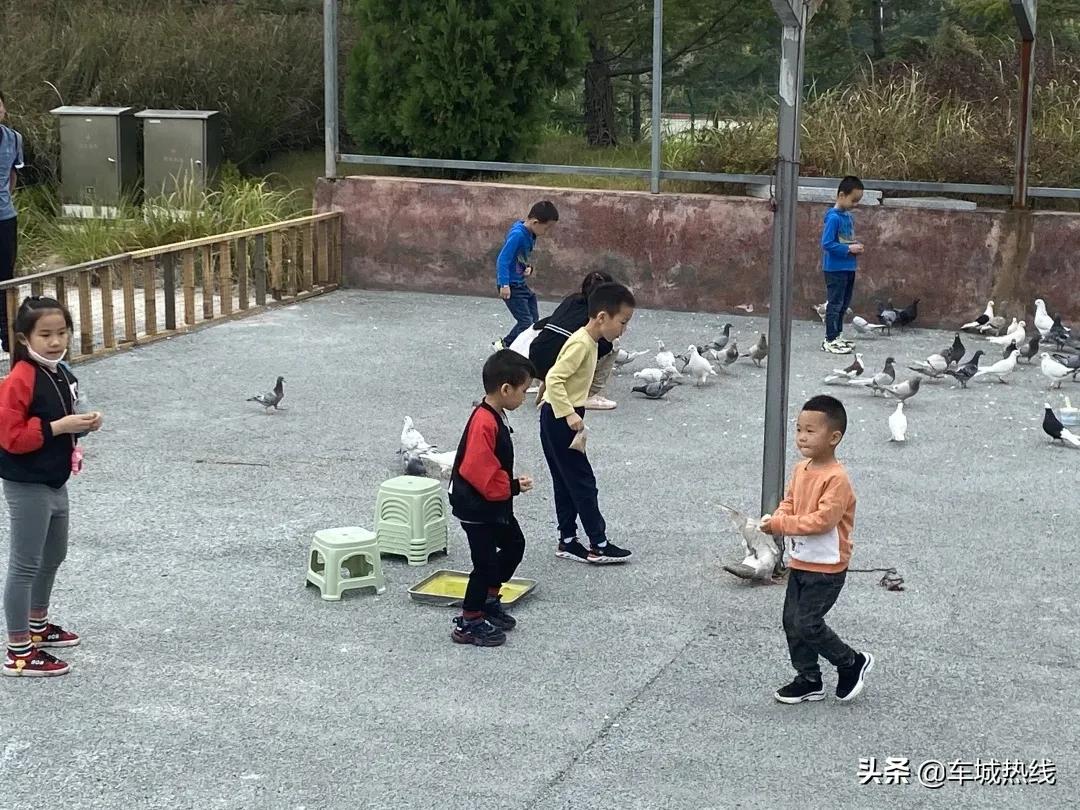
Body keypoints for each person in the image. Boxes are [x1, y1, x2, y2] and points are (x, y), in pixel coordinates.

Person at [1, 296, 103, 677]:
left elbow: (66, 415)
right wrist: (60, 427)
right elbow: (10, 437)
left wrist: (85, 422)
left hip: (54, 477)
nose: (55, 341)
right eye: (45, 334)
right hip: (26, 481)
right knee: (25, 563)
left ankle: (38, 626)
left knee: (54, 553)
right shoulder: (19, 378)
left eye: (62, 332)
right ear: (25, 338)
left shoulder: (62, 371)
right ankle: (18, 651)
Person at [760, 395, 874, 704]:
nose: (802, 437)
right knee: (791, 621)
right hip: (803, 560)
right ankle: (808, 678)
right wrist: (779, 516)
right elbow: (790, 501)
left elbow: (823, 521)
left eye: (811, 431)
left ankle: (851, 662)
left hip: (828, 567)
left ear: (834, 437)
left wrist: (782, 526)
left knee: (807, 622)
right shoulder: (801, 469)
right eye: (799, 430)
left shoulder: (837, 479)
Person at [540, 282, 635, 564]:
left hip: (557, 414)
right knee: (582, 482)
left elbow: (557, 377)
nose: (623, 330)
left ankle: (568, 540)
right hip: (561, 419)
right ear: (602, 317)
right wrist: (570, 414)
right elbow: (556, 377)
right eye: (623, 322)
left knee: (566, 480)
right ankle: (599, 543)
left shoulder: (589, 341)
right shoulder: (582, 344)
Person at [447, 349, 535, 647]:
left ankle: (489, 598)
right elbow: (477, 470)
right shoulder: (484, 421)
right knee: (483, 563)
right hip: (475, 505)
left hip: (491, 502)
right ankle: (469, 620)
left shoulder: (496, 413)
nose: (525, 396)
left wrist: (507, 487)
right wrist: (510, 486)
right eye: (524, 390)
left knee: (514, 544)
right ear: (506, 389)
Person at [527, 271, 618, 410]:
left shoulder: (572, 299)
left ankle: (549, 382)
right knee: (611, 345)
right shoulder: (600, 315)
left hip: (535, 357)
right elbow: (602, 347)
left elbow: (550, 321)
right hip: (557, 361)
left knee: (568, 344)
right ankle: (587, 394)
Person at [493, 201, 558, 351]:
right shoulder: (518, 235)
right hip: (511, 285)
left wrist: (527, 267)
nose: (547, 232)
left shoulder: (530, 233)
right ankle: (504, 345)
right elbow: (503, 259)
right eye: (547, 228)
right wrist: (504, 284)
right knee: (525, 322)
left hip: (519, 283)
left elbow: (520, 256)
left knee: (533, 319)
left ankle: (524, 346)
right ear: (535, 222)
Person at [820, 175, 865, 356]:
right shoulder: (833, 218)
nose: (856, 204)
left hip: (848, 267)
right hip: (835, 268)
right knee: (835, 304)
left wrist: (854, 248)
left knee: (844, 304)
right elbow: (827, 244)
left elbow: (845, 241)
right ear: (841, 195)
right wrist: (849, 249)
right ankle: (829, 339)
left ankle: (837, 335)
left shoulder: (848, 217)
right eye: (853, 200)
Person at [0, 91, 26, 354]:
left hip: (5, 218)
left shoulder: (14, 139)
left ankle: (6, 335)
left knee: (5, 277)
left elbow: (12, 176)